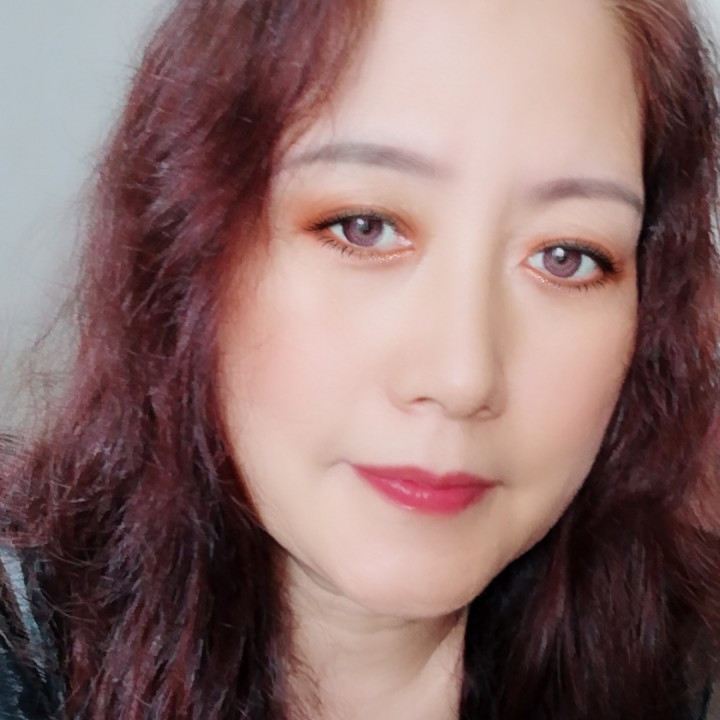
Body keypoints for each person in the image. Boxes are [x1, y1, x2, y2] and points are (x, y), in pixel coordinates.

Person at [1, 0, 719, 718]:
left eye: (566, 256)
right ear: (187, 250)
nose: (462, 377)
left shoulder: (673, 673)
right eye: (364, 227)